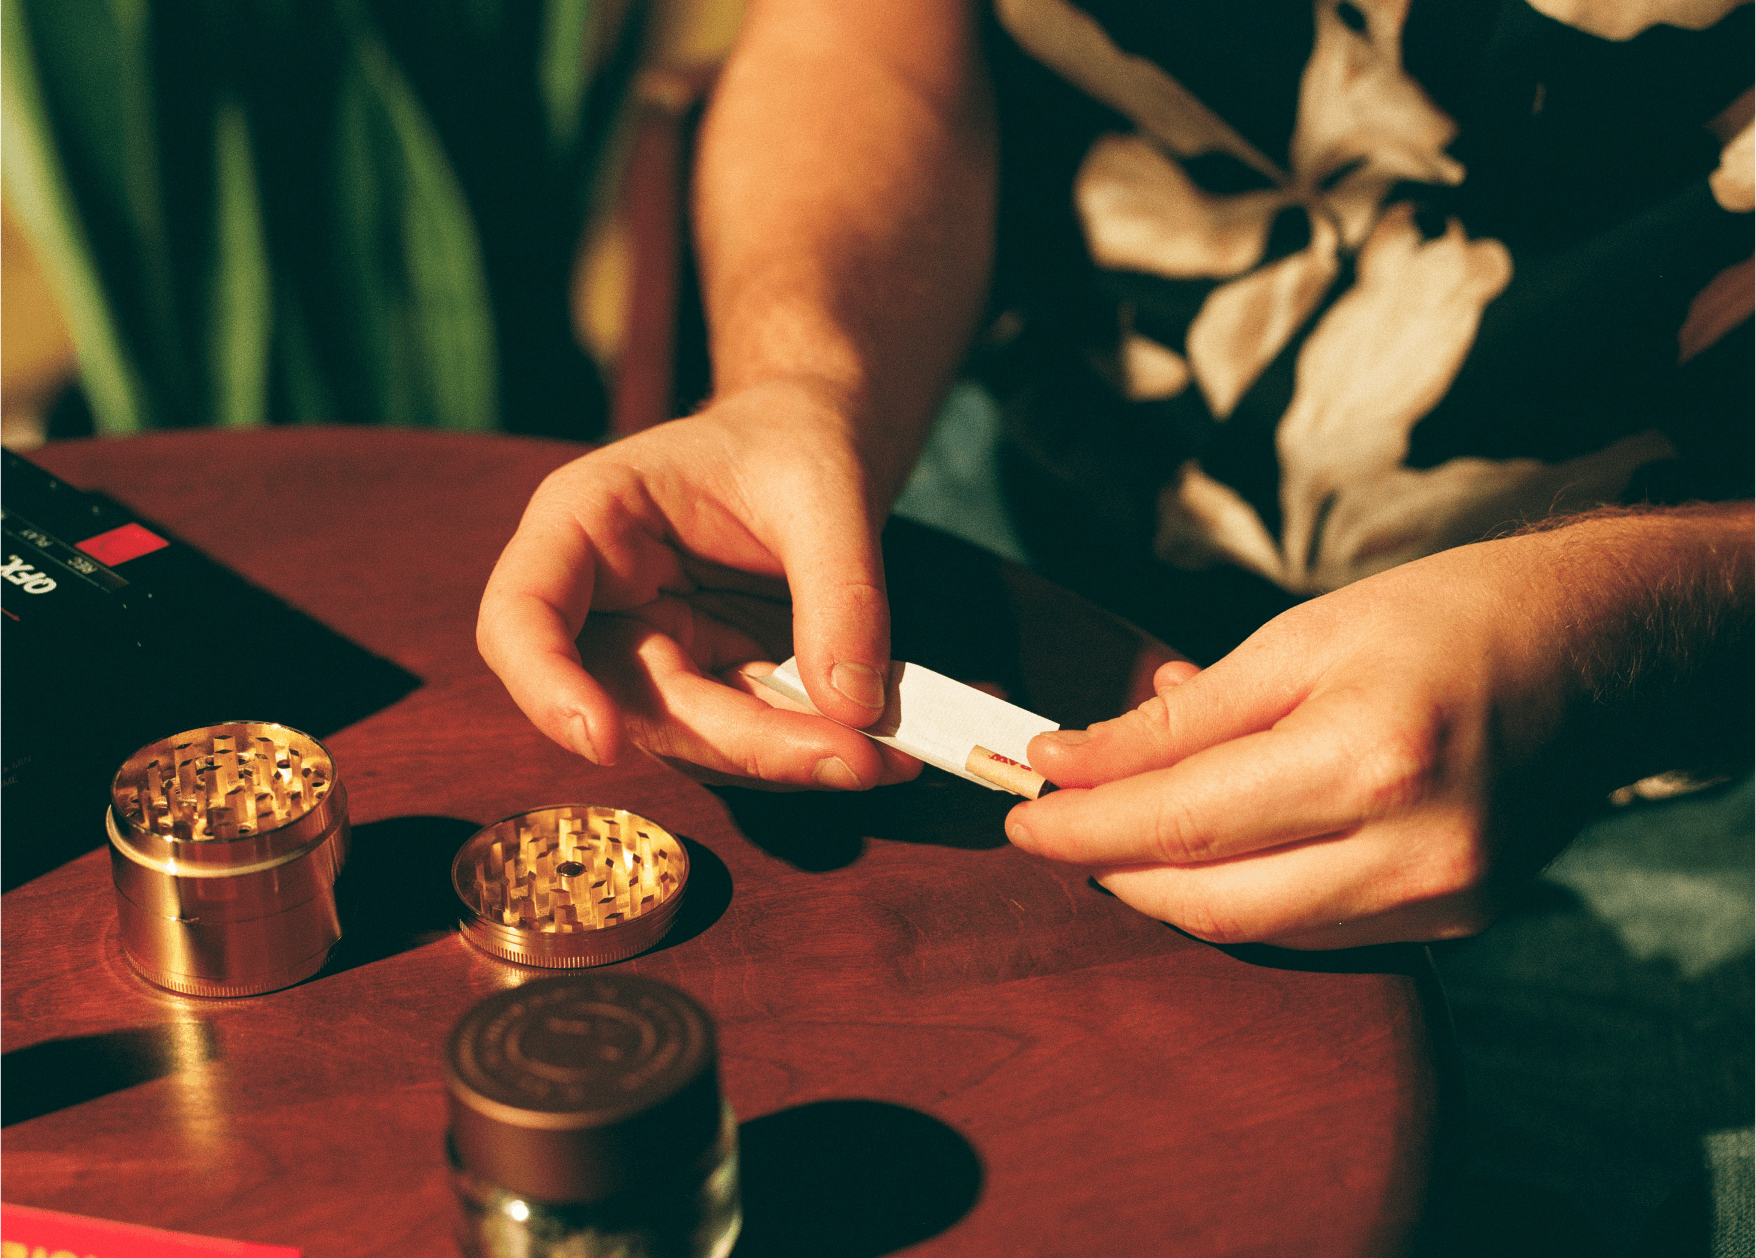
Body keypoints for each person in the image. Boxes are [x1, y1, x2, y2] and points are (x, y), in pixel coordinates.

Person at [478, 0, 1755, 950]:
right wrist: (798, 383)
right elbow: (863, 30)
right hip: (988, 538)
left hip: (1670, 799)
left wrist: (1636, 637)